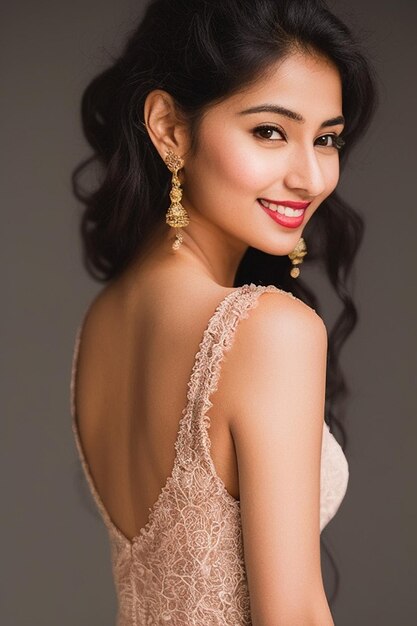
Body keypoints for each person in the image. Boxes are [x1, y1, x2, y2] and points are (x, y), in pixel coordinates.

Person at [70, 0, 377, 623]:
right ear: (170, 129)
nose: (311, 177)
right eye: (270, 131)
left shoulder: (101, 323)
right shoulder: (270, 330)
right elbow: (292, 613)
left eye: (326, 139)